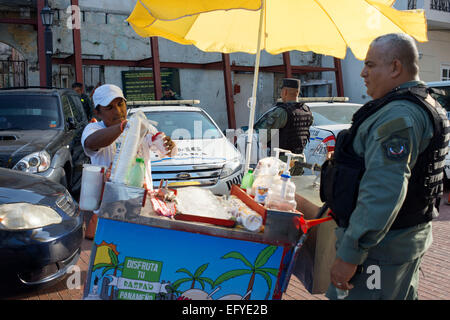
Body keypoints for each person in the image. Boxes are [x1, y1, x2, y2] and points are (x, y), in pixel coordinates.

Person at [320, 33, 449, 300]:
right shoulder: (423, 104)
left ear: (395, 67)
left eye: (370, 64)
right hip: (399, 243)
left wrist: (350, 254)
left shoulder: (399, 116)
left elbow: (383, 190)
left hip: (380, 252)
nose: (363, 73)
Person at [81, 84, 176, 238]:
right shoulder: (93, 129)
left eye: (120, 104)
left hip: (141, 205)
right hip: (109, 210)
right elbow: (91, 142)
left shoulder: (140, 127)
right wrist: (123, 127)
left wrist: (168, 145)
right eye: (109, 108)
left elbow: (164, 149)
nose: (118, 111)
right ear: (97, 112)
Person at [254, 78, 313, 175]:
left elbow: (263, 136)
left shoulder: (282, 112)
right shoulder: (307, 111)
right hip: (300, 160)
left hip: (282, 162)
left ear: (284, 92)